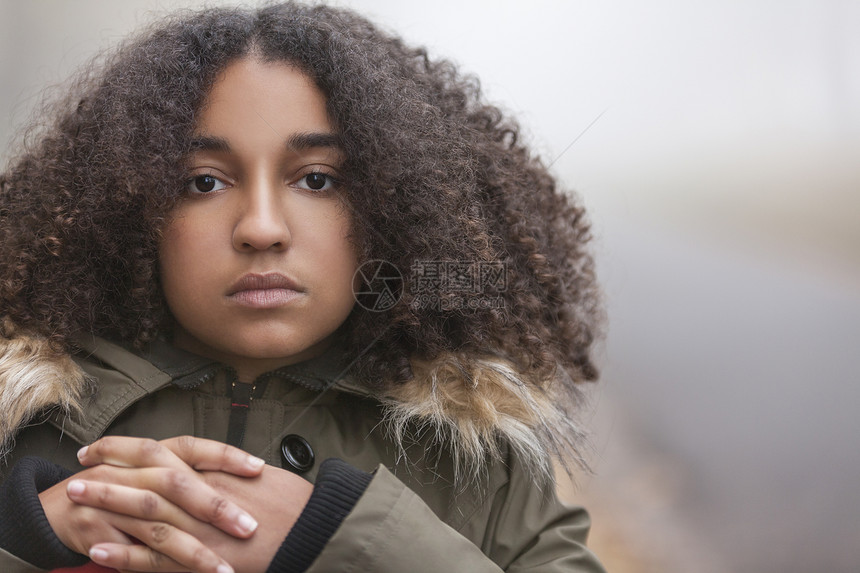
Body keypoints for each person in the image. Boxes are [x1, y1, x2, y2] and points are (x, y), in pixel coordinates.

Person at [0, 2, 605, 572]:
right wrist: (23, 533)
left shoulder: (475, 455)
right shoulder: (24, 428)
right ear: (129, 208)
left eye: (316, 180)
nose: (261, 228)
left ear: (395, 209)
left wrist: (341, 533)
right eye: (204, 183)